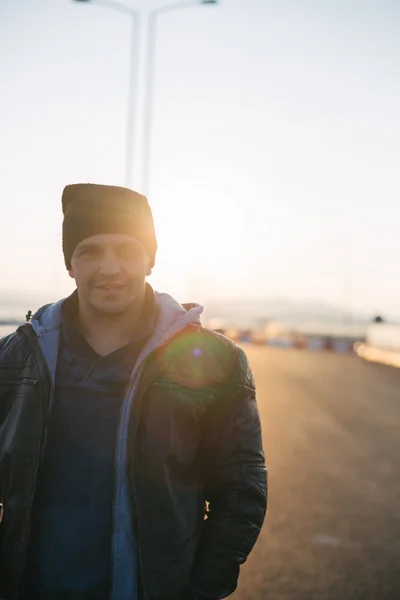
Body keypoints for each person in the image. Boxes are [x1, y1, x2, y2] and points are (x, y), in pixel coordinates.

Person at [0, 183, 267, 600]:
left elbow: (240, 493)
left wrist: (200, 590)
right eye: (89, 251)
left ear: (149, 260)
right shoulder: (17, 358)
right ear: (70, 263)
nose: (110, 268)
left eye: (126, 250)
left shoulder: (217, 362)